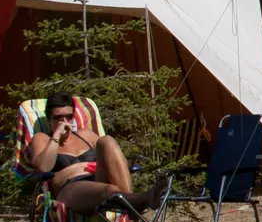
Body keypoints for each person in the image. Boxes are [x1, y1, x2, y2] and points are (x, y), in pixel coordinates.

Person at [25, 92, 166, 215]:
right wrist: (56, 135)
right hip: (70, 188)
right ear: (49, 120)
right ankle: (142, 200)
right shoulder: (42, 138)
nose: (64, 122)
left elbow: (111, 157)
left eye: (69, 117)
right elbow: (43, 167)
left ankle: (132, 204)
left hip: (97, 178)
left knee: (107, 141)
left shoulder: (86, 135)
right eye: (58, 118)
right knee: (109, 190)